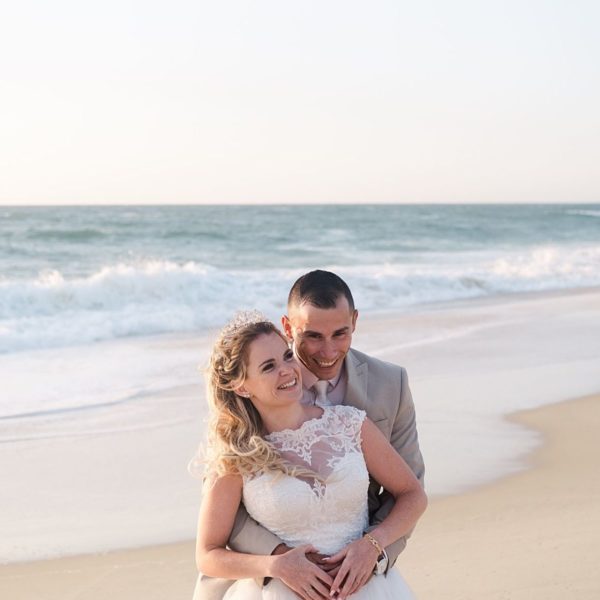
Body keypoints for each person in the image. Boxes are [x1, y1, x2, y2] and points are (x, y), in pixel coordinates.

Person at [194, 270, 425, 599]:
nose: (327, 350)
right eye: (313, 336)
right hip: (276, 584)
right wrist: (277, 562)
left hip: (362, 577)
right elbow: (219, 533)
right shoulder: (238, 445)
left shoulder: (365, 408)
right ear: (289, 328)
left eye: (340, 334)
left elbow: (411, 490)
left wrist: (372, 549)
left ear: (355, 322)